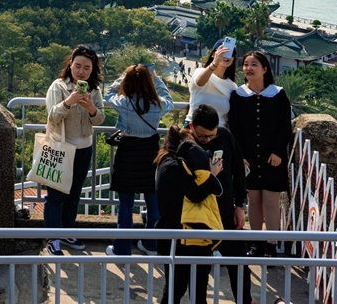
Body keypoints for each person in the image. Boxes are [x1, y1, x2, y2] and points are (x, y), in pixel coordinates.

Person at [228, 50, 293, 257]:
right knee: (253, 200)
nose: (249, 68)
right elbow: (234, 129)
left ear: (265, 68)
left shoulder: (278, 94)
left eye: (254, 64)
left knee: (271, 202)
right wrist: (240, 156)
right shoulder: (238, 95)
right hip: (248, 158)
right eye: (246, 64)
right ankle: (256, 243)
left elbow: (285, 126)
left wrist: (277, 152)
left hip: (272, 158)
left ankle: (272, 246)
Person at [104, 63, 174, 255]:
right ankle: (151, 245)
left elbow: (108, 95)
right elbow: (169, 99)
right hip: (151, 153)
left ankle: (122, 249)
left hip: (127, 153)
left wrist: (121, 77)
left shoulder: (124, 103)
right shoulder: (156, 104)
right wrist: (157, 78)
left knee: (125, 204)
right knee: (153, 202)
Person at [187, 104, 253, 304]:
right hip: (199, 214)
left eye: (211, 136)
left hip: (225, 210)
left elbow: (238, 172)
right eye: (203, 136)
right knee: (199, 268)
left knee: (239, 263)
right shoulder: (186, 145)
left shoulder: (225, 136)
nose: (207, 140)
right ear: (192, 127)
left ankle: (245, 300)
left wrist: (240, 205)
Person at [44, 45, 105, 254]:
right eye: (77, 66)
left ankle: (67, 230)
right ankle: (52, 237)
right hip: (61, 148)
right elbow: (52, 116)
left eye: (86, 68)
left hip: (84, 148)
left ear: (92, 69)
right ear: (70, 65)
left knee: (74, 193)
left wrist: (91, 108)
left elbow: (100, 118)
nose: (81, 71)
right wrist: (69, 102)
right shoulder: (58, 87)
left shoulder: (94, 90)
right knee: (56, 194)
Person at [154, 123, 223, 304]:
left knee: (174, 291)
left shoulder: (165, 163)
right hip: (186, 237)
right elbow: (195, 195)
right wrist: (211, 174)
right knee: (192, 291)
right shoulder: (175, 166)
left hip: (174, 235)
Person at [188, 40, 239, 125]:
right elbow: (199, 83)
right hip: (196, 128)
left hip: (219, 133)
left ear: (233, 59)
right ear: (213, 54)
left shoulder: (232, 86)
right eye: (221, 51)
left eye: (231, 53)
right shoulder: (200, 72)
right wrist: (214, 64)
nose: (226, 55)